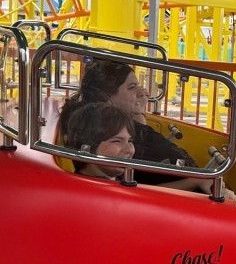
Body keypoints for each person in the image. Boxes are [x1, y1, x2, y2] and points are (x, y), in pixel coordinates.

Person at [58, 59, 211, 193]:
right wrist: (195, 181)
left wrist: (138, 112)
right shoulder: (103, 136)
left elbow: (142, 187)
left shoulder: (113, 168)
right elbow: (143, 195)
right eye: (131, 87)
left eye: (130, 141)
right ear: (106, 98)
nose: (142, 92)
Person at [63, 103, 137, 179]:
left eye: (130, 141)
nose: (129, 150)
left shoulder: (123, 179)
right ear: (86, 147)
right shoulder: (87, 189)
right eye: (117, 141)